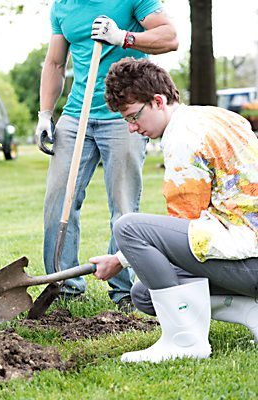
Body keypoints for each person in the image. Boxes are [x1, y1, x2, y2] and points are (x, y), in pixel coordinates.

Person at [91, 58, 258, 363]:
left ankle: (185, 342)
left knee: (129, 227)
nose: (131, 128)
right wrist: (122, 260)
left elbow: (185, 223)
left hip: (250, 259)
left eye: (133, 116)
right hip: (246, 247)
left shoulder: (182, 138)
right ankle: (252, 312)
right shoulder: (215, 116)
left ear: (158, 101)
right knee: (144, 293)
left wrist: (120, 258)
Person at [35, 0, 178, 310]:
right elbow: (55, 64)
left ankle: (122, 291)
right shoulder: (62, 7)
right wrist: (45, 113)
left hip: (124, 115)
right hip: (76, 115)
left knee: (123, 205)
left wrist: (124, 37)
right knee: (58, 199)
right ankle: (64, 286)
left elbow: (170, 37)